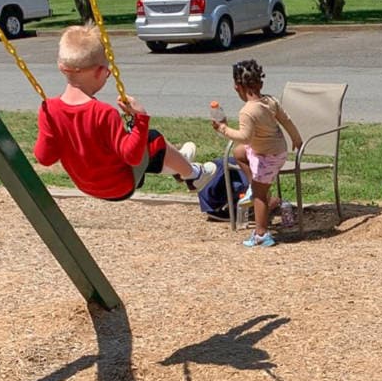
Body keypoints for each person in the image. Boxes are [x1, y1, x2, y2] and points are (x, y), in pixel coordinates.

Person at [34, 24, 214, 201]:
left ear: (61, 66)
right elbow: (132, 157)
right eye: (107, 72)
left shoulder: (49, 109)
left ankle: (180, 163)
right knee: (153, 139)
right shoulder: (103, 113)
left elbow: (45, 158)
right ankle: (194, 174)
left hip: (87, 185)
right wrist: (140, 118)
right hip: (120, 185)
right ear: (99, 72)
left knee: (147, 147)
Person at [213, 59, 302, 248]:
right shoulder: (270, 101)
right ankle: (259, 189)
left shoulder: (247, 111)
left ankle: (261, 234)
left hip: (268, 157)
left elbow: (244, 137)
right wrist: (296, 138)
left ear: (237, 87)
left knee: (259, 196)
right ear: (260, 83)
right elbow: (286, 120)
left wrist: (223, 129)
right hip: (274, 150)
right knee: (238, 153)